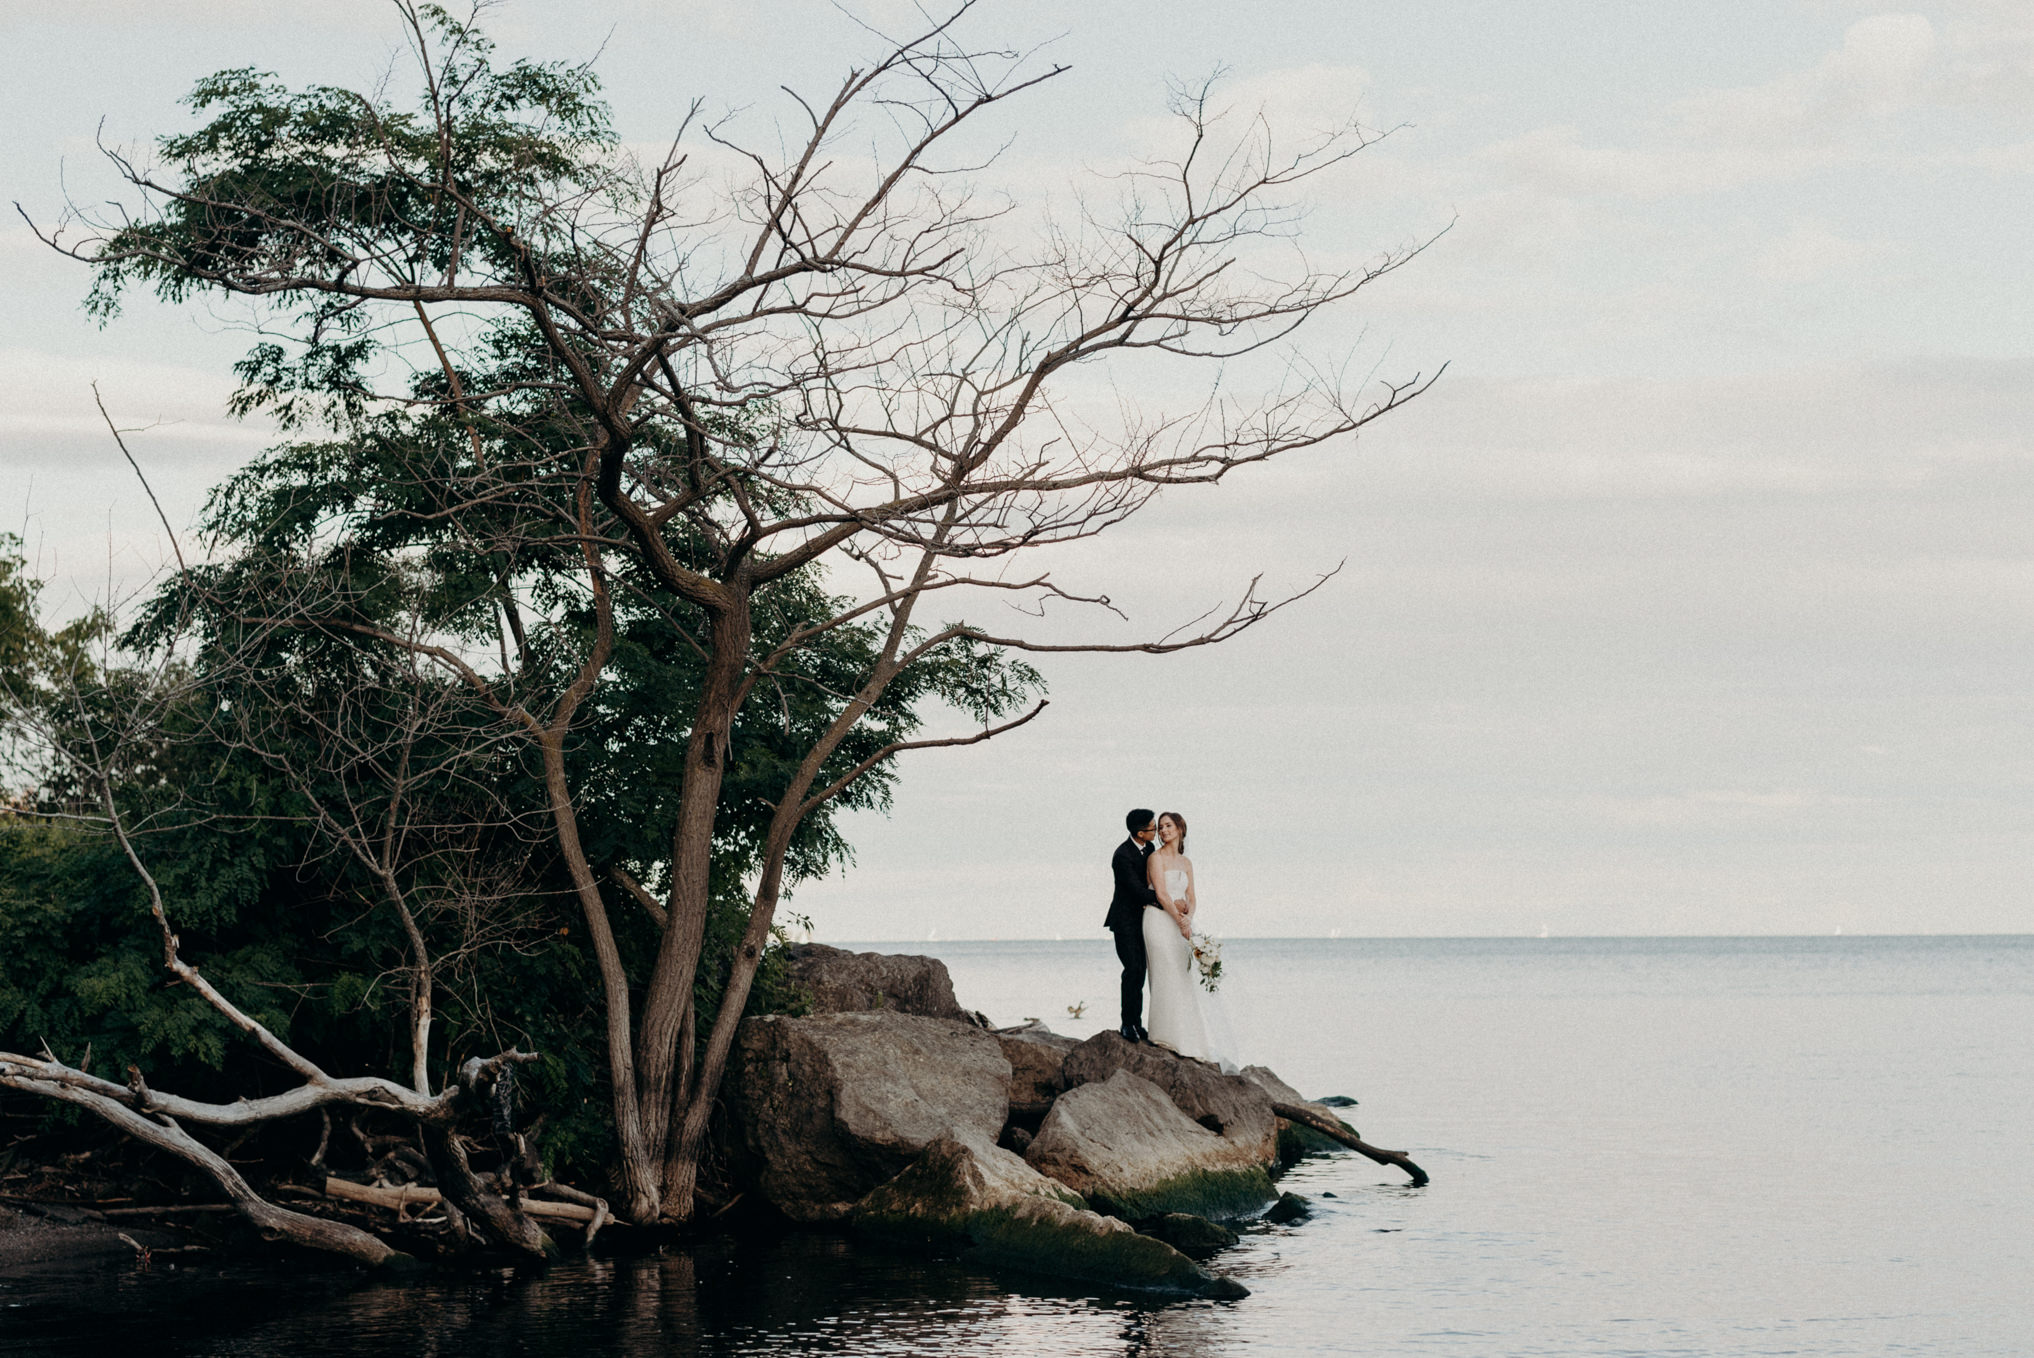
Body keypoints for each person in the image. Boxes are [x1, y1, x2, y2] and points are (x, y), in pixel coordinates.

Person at [1142, 811, 1241, 1071]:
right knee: (1165, 972)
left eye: (1168, 826)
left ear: (1180, 828)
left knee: (1183, 977)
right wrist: (1179, 920)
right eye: (1160, 827)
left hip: (1181, 924)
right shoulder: (1155, 858)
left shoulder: (1186, 863)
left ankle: (1188, 1039)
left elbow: (1192, 897)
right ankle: (1163, 1034)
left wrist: (1189, 918)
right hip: (1159, 920)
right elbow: (1162, 894)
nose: (1163, 831)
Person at [1104, 808, 1160, 1042]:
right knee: (1133, 970)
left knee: (1142, 972)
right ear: (1139, 833)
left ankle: (1137, 1023)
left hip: (1144, 921)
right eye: (1152, 828)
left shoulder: (1150, 848)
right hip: (1125, 921)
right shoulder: (1122, 855)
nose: (1156, 831)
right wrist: (1164, 900)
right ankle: (1127, 1024)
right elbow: (1136, 890)